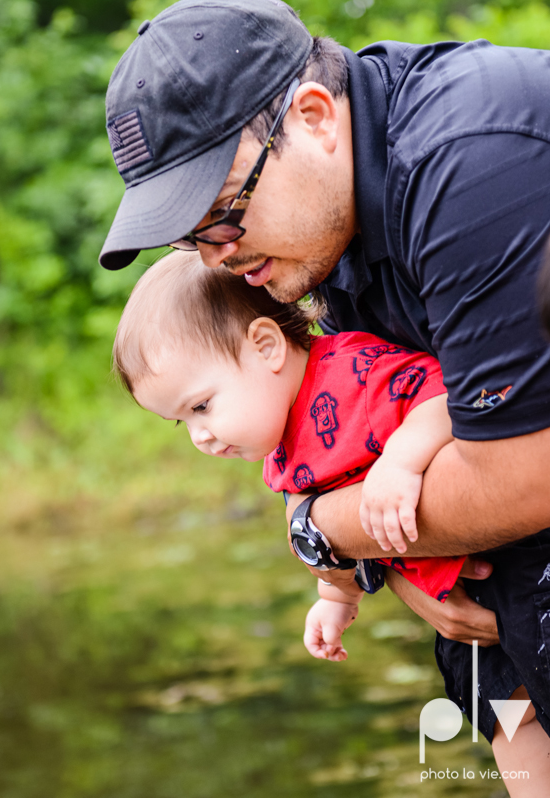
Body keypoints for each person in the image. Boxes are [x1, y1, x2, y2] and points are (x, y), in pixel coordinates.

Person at [98, 0, 550, 699]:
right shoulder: (319, 234)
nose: (214, 257)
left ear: (313, 118)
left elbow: (523, 477)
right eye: (188, 238)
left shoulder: (468, 168)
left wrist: (320, 529)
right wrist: (384, 566)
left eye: (219, 214)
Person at [112, 250, 550, 791]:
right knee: (508, 720)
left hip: (516, 565)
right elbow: (330, 531)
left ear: (266, 346)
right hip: (460, 598)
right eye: (181, 423)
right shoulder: (279, 446)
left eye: (200, 406)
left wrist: (402, 460)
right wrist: (336, 599)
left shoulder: (349, 372)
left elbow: (443, 392)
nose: (200, 435)